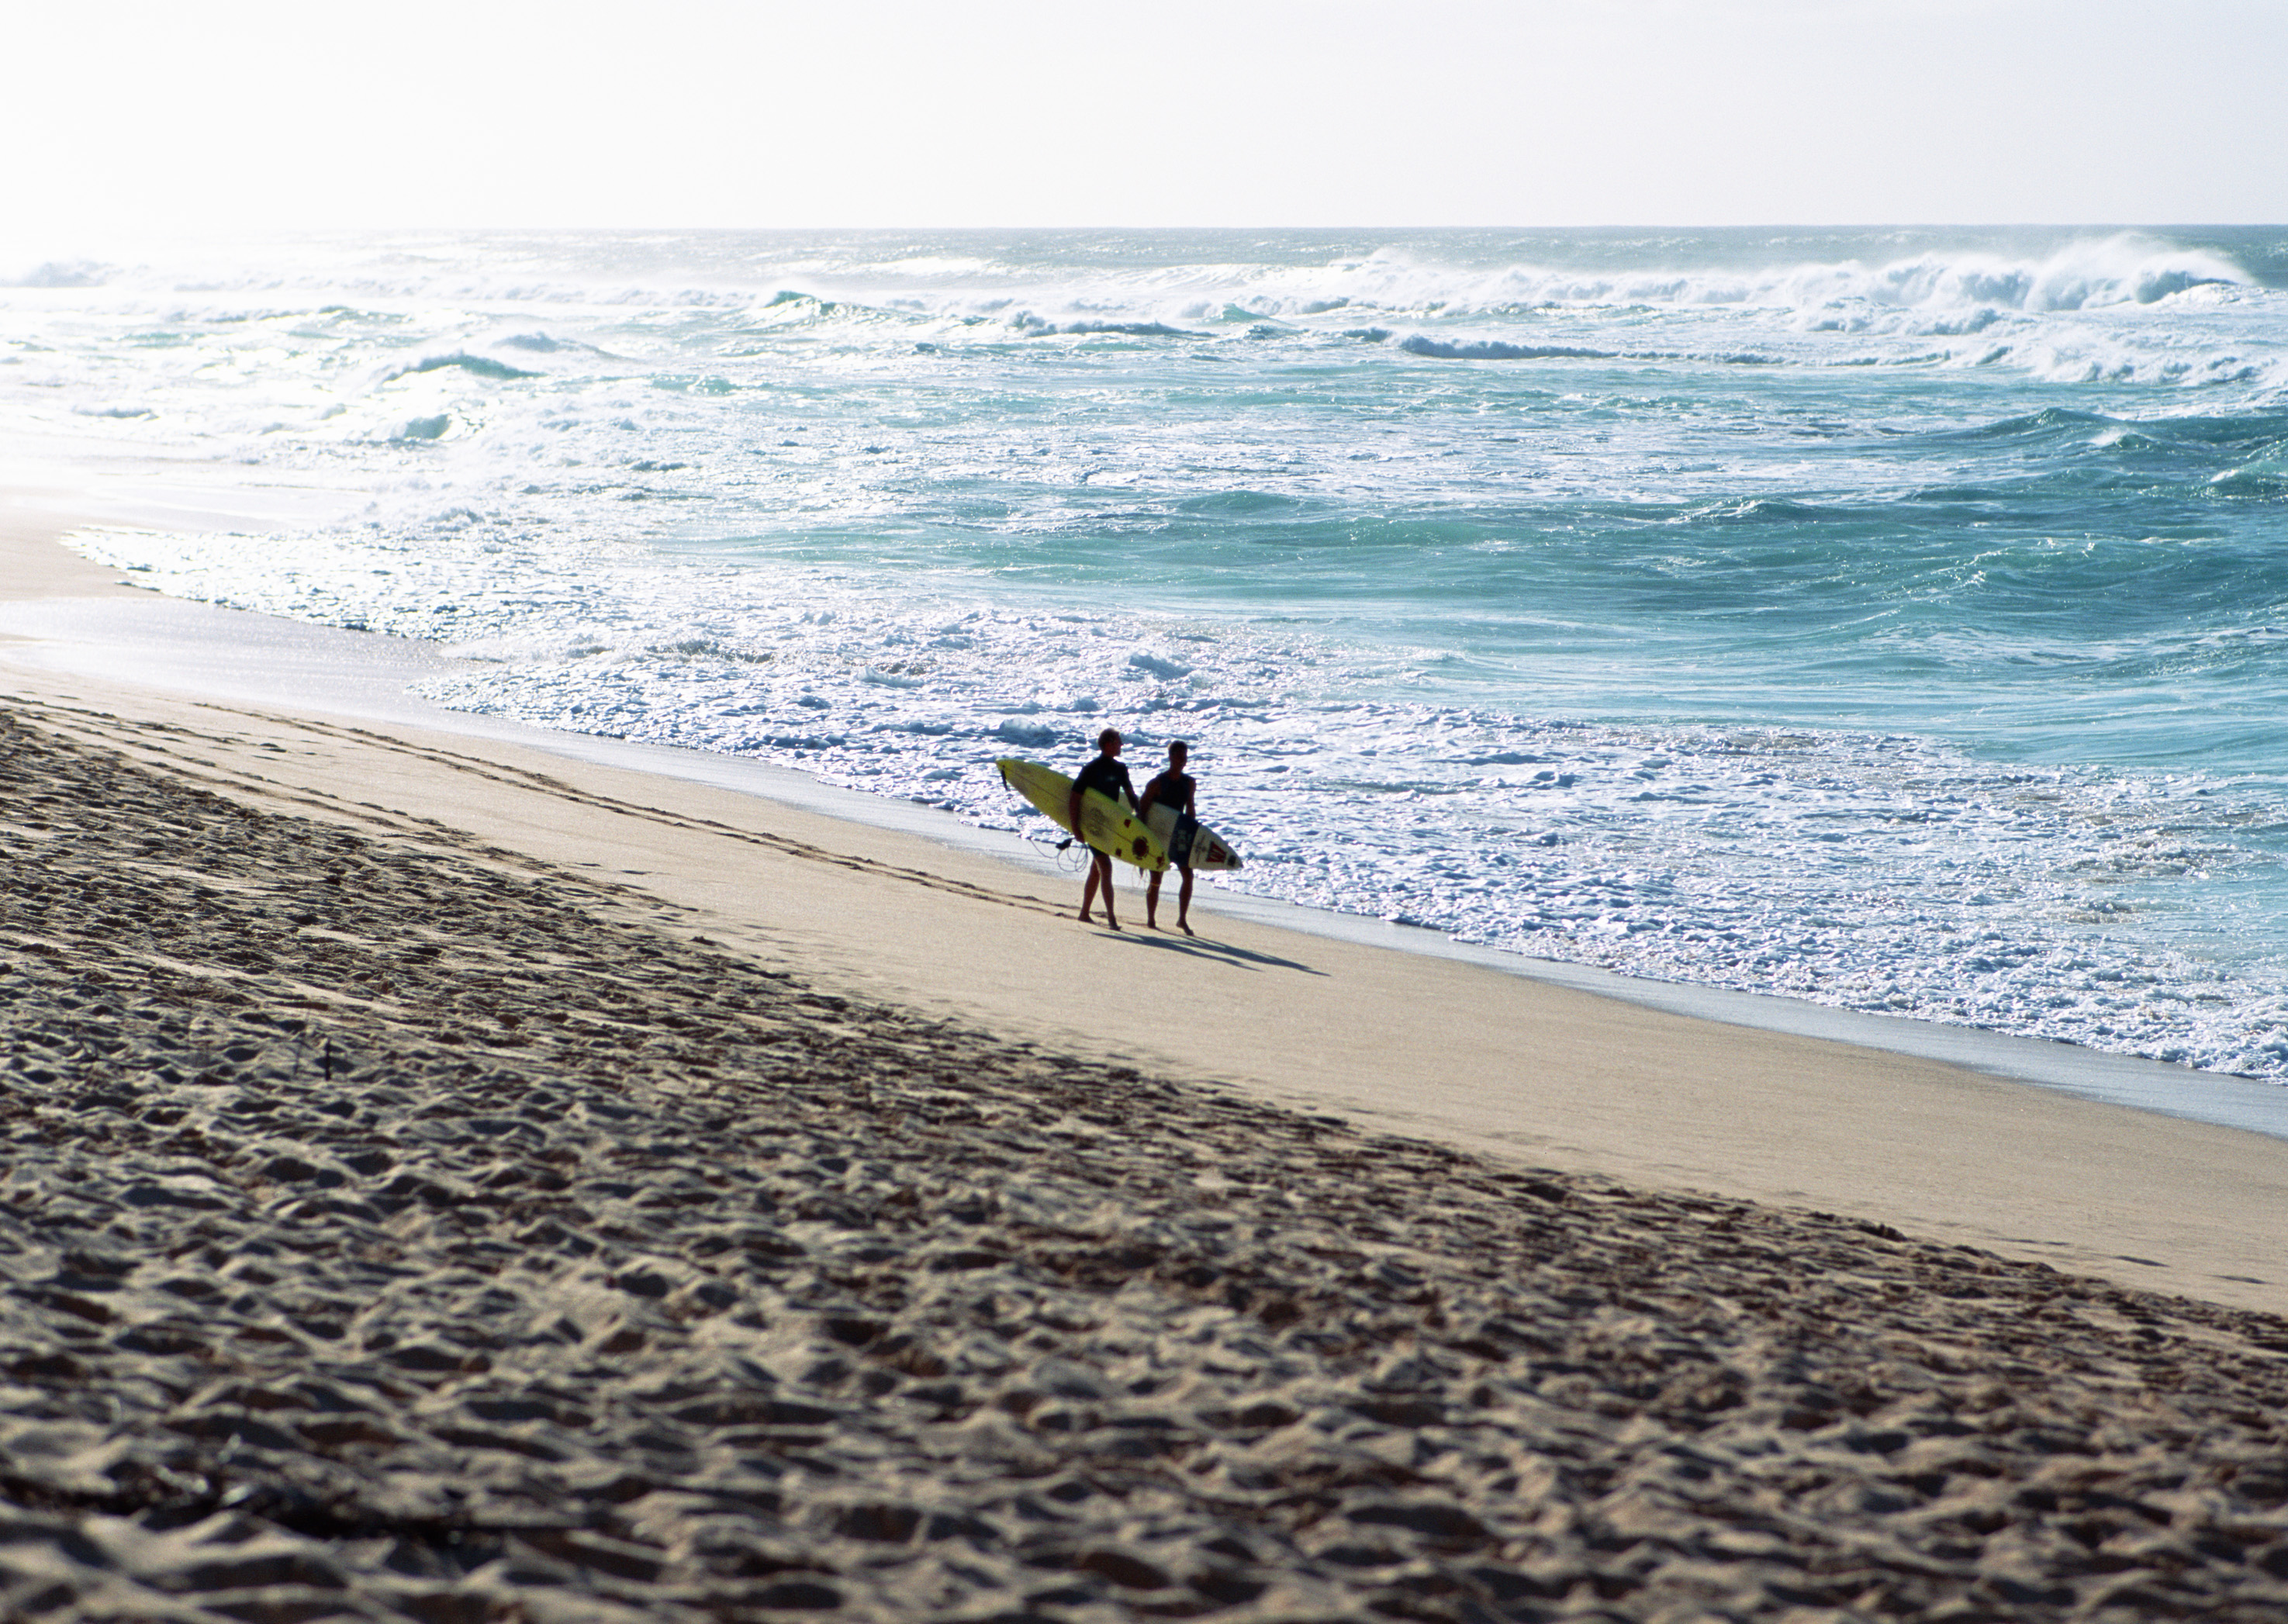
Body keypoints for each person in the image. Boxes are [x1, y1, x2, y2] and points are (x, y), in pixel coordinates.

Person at [1068, 727, 1138, 931]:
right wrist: (1076, 827)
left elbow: (1131, 794)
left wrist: (1138, 816)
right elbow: (1075, 797)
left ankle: (1084, 913)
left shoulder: (1121, 769)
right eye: (1118, 741)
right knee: (1105, 867)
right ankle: (1112, 919)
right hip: (1092, 825)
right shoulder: (1091, 769)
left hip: (1109, 825)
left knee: (1097, 869)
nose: (1122, 745)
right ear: (1108, 743)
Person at [1139, 739, 1199, 935]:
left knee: (1188, 876)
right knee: (1156, 877)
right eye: (1180, 756)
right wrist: (1143, 841)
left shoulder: (1189, 783)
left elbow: (1190, 811)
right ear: (1171, 757)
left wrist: (1193, 835)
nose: (1184, 760)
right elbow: (1142, 813)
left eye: (1185, 757)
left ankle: (1182, 919)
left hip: (1179, 834)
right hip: (1158, 835)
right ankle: (1151, 919)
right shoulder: (1157, 784)